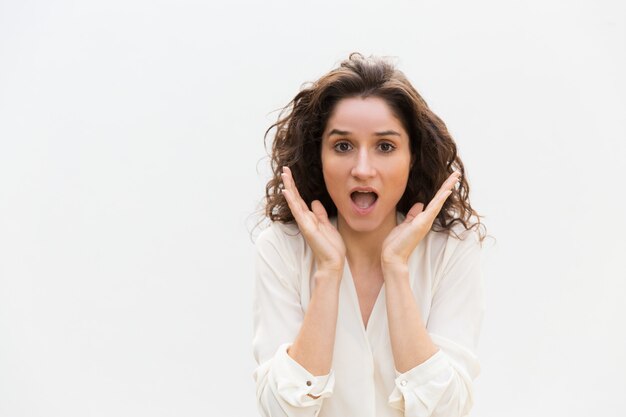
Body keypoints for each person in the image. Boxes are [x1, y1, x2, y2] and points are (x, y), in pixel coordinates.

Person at [252, 53, 486, 417]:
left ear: (412, 157)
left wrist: (395, 269)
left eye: (385, 146)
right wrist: (329, 272)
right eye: (343, 146)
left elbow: (445, 409)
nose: (363, 170)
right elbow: (282, 410)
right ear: (319, 156)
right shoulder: (281, 247)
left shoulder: (449, 250)